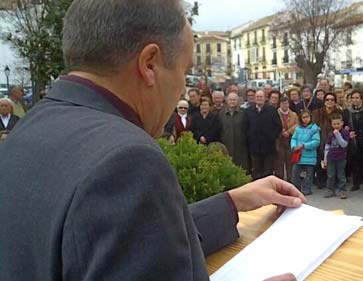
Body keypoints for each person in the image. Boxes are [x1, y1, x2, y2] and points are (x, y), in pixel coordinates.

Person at [0, 1, 304, 280]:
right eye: (184, 70)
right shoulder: (128, 160)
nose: (183, 88)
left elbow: (128, 242)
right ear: (149, 64)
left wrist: (232, 203)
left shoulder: (27, 130)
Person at [244, 90, 282, 180]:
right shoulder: (248, 111)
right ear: (254, 98)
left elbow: (278, 126)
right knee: (256, 170)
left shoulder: (271, 110)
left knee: (268, 171)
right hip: (254, 146)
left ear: (265, 99)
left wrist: (272, 136)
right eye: (257, 97)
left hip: (268, 146)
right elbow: (245, 127)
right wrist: (249, 137)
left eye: (261, 97)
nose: (259, 99)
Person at [290, 110, 320, 195]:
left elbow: (316, 141)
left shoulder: (314, 128)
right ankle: (296, 190)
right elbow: (293, 139)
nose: (306, 119)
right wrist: (293, 146)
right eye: (304, 117)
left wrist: (305, 145)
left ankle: (307, 189)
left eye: (307, 117)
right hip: (298, 156)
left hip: (309, 156)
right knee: (295, 173)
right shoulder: (298, 128)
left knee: (308, 175)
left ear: (310, 118)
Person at [219, 93, 250, 173]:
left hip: (241, 146)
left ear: (238, 101)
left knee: (241, 169)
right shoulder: (221, 114)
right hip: (226, 145)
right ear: (227, 101)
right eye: (230, 100)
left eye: (234, 100)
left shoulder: (244, 113)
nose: (232, 102)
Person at [323, 114, 350, 199]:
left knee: (341, 175)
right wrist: (325, 159)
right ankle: (330, 190)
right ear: (332, 124)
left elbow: (344, 144)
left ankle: (342, 190)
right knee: (330, 175)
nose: (336, 126)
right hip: (331, 158)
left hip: (341, 158)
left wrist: (338, 135)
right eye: (334, 124)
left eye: (338, 124)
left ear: (342, 123)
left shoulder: (345, 133)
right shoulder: (330, 134)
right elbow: (327, 147)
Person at [275, 96, 298, 181]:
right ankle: (279, 180)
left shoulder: (294, 114)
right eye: (283, 103)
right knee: (279, 161)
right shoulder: (275, 113)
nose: (285, 105)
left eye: (286, 103)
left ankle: (290, 179)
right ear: (280, 104)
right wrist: (281, 130)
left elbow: (297, 125)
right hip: (279, 140)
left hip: (290, 140)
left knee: (290, 161)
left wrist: (289, 131)